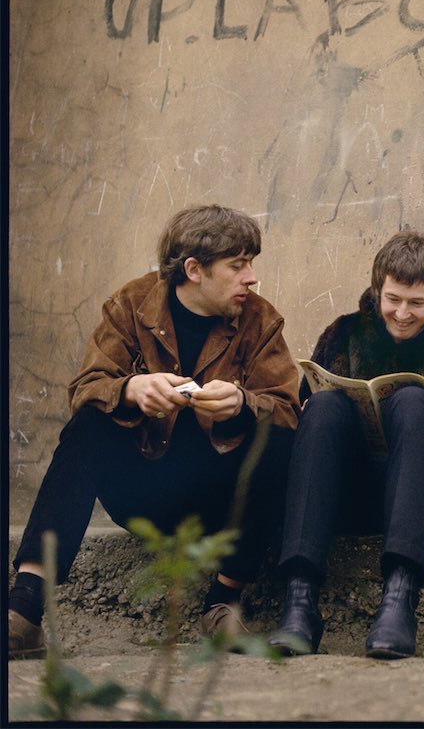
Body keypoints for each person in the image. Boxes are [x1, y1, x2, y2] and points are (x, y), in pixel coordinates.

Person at [8, 205, 299, 658]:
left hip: (220, 503)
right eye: (238, 265)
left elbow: (287, 409)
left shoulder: (260, 321)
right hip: (144, 490)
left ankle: (223, 603)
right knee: (89, 424)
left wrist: (244, 405)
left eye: (251, 264)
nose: (252, 278)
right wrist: (131, 389)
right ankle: (24, 609)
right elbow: (86, 389)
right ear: (193, 270)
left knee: (278, 439)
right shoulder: (131, 304)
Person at [269, 230, 424, 659]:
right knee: (322, 409)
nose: (401, 314)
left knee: (414, 400)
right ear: (377, 290)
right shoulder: (344, 334)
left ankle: (400, 598)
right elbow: (307, 412)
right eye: (392, 299)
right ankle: (299, 602)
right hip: (356, 490)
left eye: (416, 303)